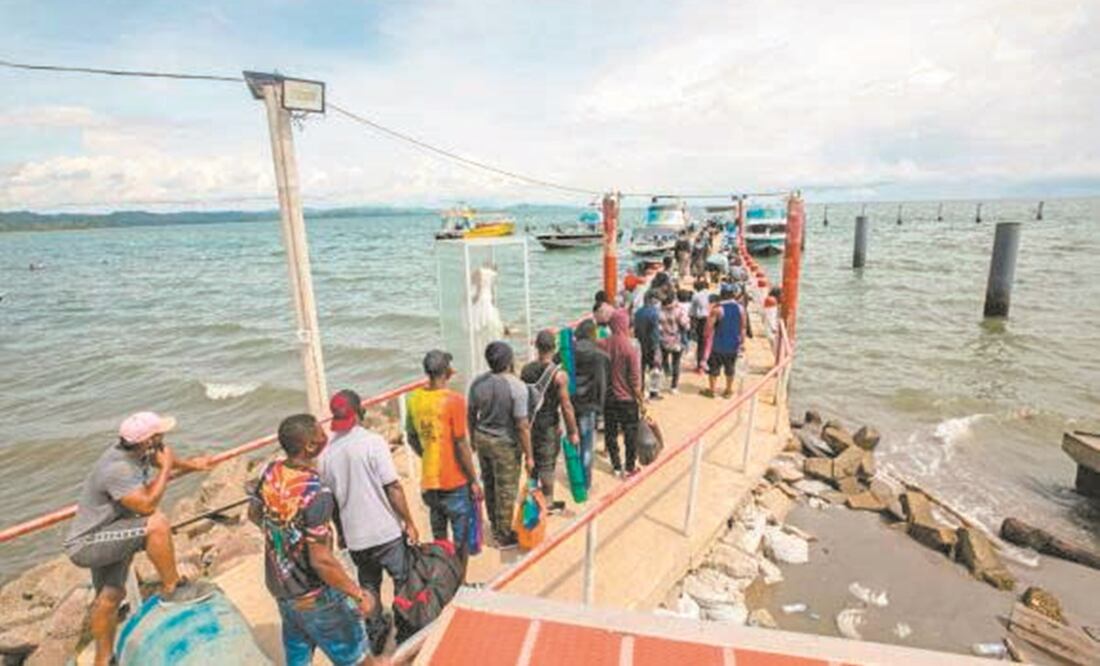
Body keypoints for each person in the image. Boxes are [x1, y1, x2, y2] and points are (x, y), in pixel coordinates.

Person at [64, 412, 213, 666]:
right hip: (89, 542)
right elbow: (145, 506)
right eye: (160, 435)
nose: (164, 438)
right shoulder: (118, 468)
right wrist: (166, 469)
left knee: (111, 595)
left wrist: (193, 465)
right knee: (156, 524)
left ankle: (103, 660)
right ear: (148, 440)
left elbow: (164, 458)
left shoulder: (137, 451)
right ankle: (172, 588)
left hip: (111, 530)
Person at [249, 414, 379, 666]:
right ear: (309, 445)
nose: (326, 437)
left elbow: (254, 513)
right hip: (315, 597)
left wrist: (283, 538)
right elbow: (321, 561)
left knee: (298, 657)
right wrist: (358, 594)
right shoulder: (316, 493)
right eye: (321, 434)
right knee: (357, 659)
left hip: (282, 591)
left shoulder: (271, 472)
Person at [319, 389, 419, 654]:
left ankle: (375, 632)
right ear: (360, 412)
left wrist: (342, 533)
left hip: (356, 537)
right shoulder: (373, 442)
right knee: (402, 579)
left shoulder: (327, 455)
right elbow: (393, 487)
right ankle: (406, 629)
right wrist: (409, 521)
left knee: (368, 585)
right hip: (385, 531)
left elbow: (333, 504)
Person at [406, 350, 480, 570]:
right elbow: (461, 444)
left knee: (440, 538)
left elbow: (411, 437)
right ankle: (460, 582)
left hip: (429, 483)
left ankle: (441, 580)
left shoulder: (413, 399)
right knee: (461, 540)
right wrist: (473, 480)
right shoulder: (454, 400)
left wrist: (427, 453)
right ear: (447, 372)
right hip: (455, 482)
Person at [468, 341, 534, 548]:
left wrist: (472, 438)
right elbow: (522, 425)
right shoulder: (517, 387)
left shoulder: (477, 383)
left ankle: (496, 523)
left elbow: (470, 413)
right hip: (504, 443)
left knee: (489, 483)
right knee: (506, 489)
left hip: (482, 438)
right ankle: (503, 535)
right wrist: (529, 455)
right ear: (509, 361)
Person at [520, 330, 580, 513]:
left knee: (533, 462)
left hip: (530, 425)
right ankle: (547, 503)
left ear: (536, 347)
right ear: (554, 348)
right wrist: (572, 432)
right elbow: (566, 406)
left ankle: (533, 497)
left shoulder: (525, 370)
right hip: (548, 426)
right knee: (547, 464)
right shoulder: (558, 375)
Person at [600, 309, 642, 478]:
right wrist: (641, 400)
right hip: (627, 399)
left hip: (608, 398)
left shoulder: (602, 344)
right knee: (630, 434)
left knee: (610, 433)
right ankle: (630, 466)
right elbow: (634, 380)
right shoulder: (630, 348)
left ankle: (616, 465)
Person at [572, 320, 609, 490]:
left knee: (574, 439)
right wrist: (601, 409)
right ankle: (585, 483)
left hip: (570, 404)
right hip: (589, 404)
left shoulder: (568, 352)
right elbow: (602, 384)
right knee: (587, 445)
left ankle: (575, 474)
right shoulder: (599, 355)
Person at [703, 284, 747, 399]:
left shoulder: (717, 309)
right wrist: (742, 342)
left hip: (718, 343)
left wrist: (705, 337)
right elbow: (743, 327)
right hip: (733, 344)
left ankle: (711, 390)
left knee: (714, 368)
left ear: (721, 295)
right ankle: (728, 390)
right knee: (730, 368)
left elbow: (708, 327)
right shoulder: (740, 308)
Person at [658, 293, 690, 394]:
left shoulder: (659, 310)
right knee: (676, 362)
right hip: (677, 340)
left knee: (664, 359)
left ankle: (667, 372)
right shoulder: (679, 310)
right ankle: (674, 386)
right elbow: (685, 325)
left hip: (663, 340)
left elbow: (657, 326)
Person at [633, 291, 662, 399]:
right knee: (655, 369)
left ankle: (640, 391)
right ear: (652, 300)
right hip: (651, 345)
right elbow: (654, 333)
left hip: (640, 344)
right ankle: (653, 392)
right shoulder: (654, 313)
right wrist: (655, 348)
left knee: (641, 369)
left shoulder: (638, 313)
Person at [689, 279, 711, 371]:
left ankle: (699, 365)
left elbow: (692, 313)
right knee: (709, 342)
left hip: (701, 321)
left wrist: (692, 325)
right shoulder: (711, 295)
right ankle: (708, 363)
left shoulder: (696, 296)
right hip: (711, 319)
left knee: (701, 343)